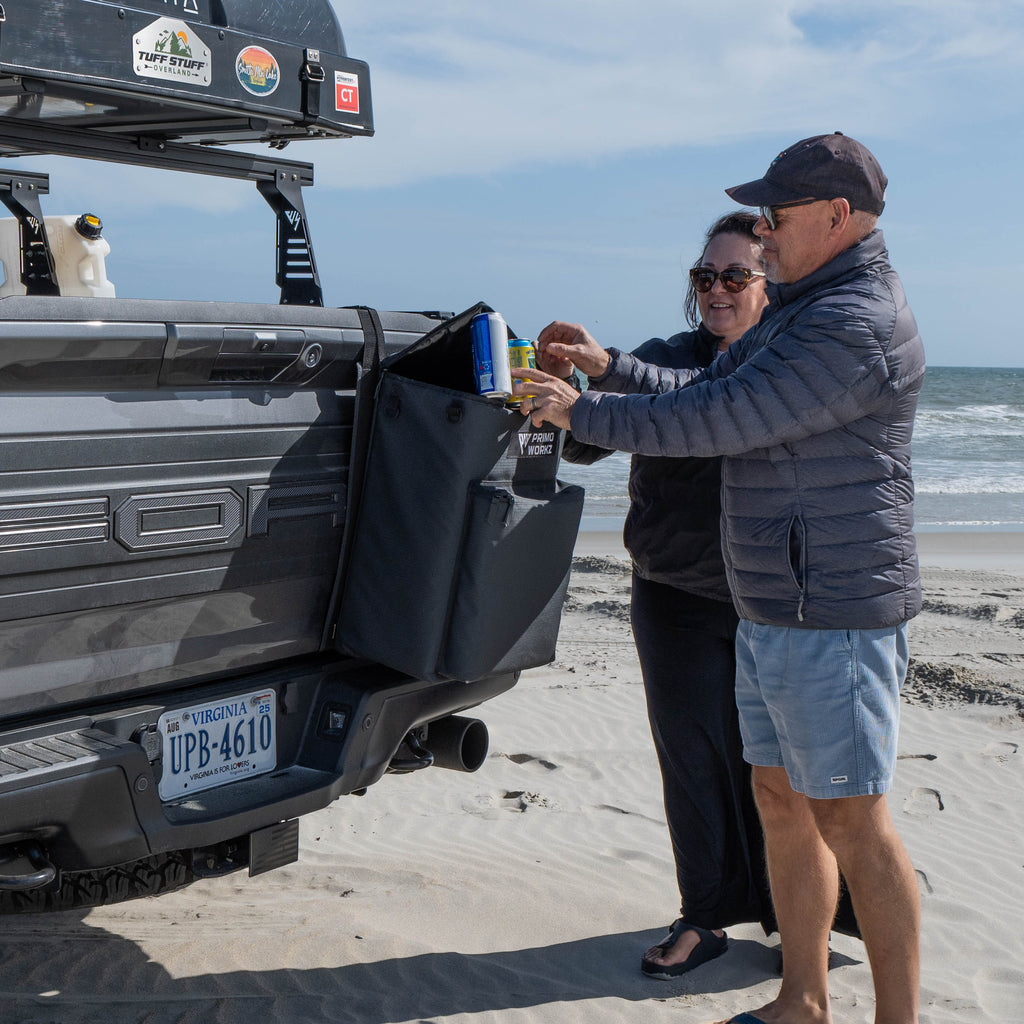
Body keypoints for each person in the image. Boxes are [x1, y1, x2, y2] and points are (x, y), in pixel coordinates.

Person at [513, 133, 924, 1024]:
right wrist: (607, 372)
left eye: (775, 216)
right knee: (780, 800)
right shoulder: (799, 311)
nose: (764, 232)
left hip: (834, 610)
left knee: (853, 821)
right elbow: (696, 384)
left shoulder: (852, 322)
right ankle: (802, 1000)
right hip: (774, 604)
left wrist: (585, 411)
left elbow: (722, 415)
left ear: (836, 216)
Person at [544, 212, 776, 978]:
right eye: (705, 276)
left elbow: (702, 401)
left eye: (734, 275)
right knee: (693, 763)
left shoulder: (784, 364)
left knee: (778, 768)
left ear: (771, 282)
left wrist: (608, 371)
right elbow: (585, 440)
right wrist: (564, 390)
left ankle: (797, 918)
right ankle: (705, 918)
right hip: (674, 595)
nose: (716, 289)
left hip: (771, 600)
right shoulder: (664, 355)